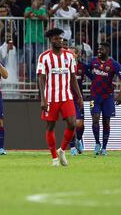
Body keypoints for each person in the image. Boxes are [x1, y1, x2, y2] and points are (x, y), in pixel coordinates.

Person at [37, 28, 83, 167]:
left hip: (66, 96)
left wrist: (79, 96)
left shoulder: (70, 56)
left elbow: (73, 77)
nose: (59, 41)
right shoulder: (44, 57)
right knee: (50, 126)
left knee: (72, 123)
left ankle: (62, 150)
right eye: (56, 39)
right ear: (51, 41)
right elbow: (41, 78)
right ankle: (54, 158)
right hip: (51, 97)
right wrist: (43, 99)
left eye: (61, 38)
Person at [88, 42, 121, 156]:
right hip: (94, 96)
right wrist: (94, 80)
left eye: (102, 49)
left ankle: (104, 147)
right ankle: (97, 143)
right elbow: (87, 70)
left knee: (106, 122)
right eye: (98, 49)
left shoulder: (114, 64)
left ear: (107, 51)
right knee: (95, 118)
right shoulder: (93, 61)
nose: (99, 51)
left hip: (108, 97)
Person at [68, 46, 92, 156]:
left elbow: (94, 77)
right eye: (69, 53)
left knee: (80, 124)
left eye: (73, 53)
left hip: (78, 99)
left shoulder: (82, 67)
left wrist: (109, 83)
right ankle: (72, 146)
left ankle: (79, 139)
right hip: (67, 98)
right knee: (71, 123)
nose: (70, 55)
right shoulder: (64, 67)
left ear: (77, 55)